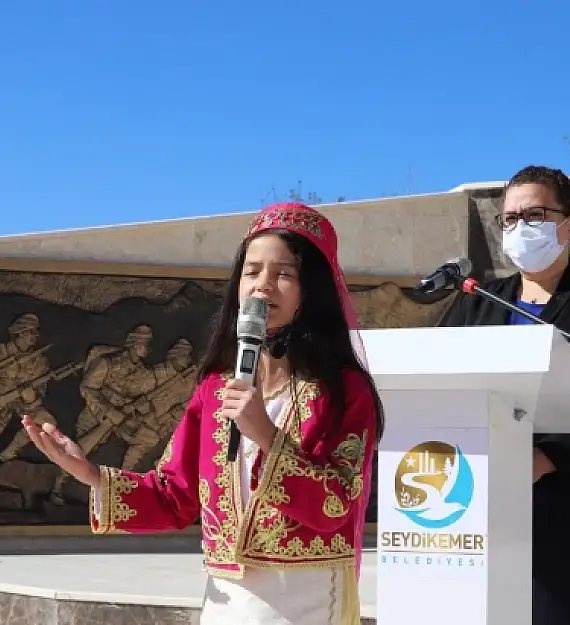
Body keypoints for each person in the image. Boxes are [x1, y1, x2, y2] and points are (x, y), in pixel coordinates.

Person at [21, 202, 384, 625]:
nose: (263, 287)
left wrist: (266, 435)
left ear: (312, 291)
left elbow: (337, 505)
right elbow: (174, 496)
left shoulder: (342, 393)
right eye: (252, 272)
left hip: (308, 599)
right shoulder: (215, 388)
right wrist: (88, 473)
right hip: (227, 603)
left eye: (283, 274)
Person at [442, 165, 570, 625]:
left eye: (534, 214)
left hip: (566, 507)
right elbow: (440, 376)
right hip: (478, 499)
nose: (519, 228)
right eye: (509, 219)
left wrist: (545, 458)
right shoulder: (478, 300)